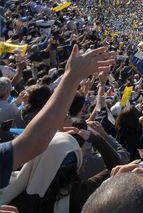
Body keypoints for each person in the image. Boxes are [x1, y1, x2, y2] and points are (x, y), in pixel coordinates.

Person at [0, 45, 115, 189]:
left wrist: (73, 76)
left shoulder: (19, 114)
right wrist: (73, 76)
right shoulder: (16, 112)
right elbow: (33, 143)